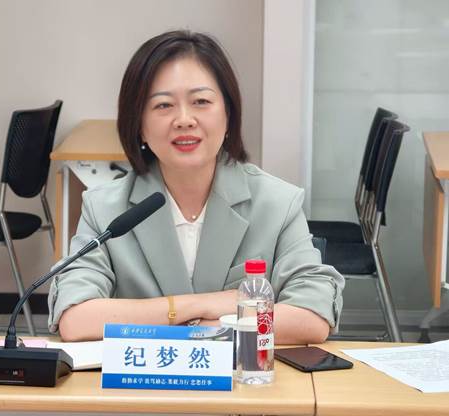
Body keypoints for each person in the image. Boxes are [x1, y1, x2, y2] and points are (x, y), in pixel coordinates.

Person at [48, 30, 344, 343]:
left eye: (201, 101)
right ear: (139, 125)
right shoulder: (105, 208)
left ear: (228, 114)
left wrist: (172, 321)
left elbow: (311, 317)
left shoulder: (277, 203)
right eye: (163, 105)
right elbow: (76, 319)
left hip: (243, 374)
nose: (184, 119)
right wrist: (198, 306)